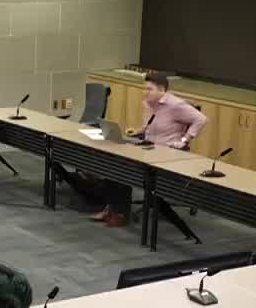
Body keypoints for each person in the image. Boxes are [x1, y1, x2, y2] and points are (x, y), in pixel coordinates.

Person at [87, 72, 208, 227]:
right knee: (114, 161)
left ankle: (120, 214)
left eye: (149, 89)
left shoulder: (176, 105)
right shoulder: (150, 103)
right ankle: (111, 209)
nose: (145, 92)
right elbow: (154, 126)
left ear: (162, 90)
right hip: (149, 148)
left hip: (167, 154)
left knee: (123, 168)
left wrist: (184, 140)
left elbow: (201, 119)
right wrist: (139, 130)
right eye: (145, 88)